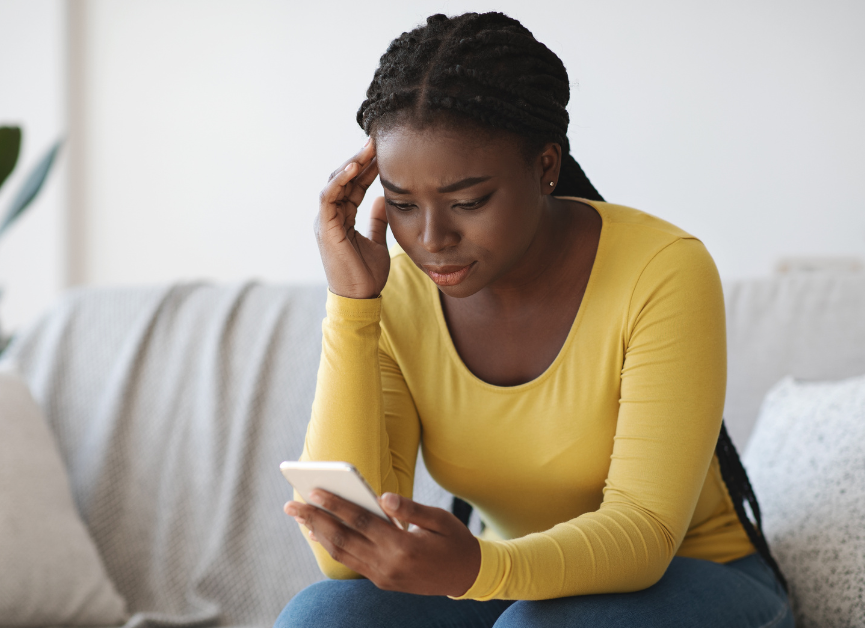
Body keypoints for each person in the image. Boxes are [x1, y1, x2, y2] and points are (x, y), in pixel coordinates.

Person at [277, 12, 792, 628]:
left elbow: (645, 533)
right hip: (505, 583)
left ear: (545, 165)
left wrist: (478, 571)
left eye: (468, 202)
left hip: (695, 578)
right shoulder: (394, 289)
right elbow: (344, 560)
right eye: (405, 205)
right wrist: (353, 305)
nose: (433, 239)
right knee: (324, 615)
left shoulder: (662, 269)